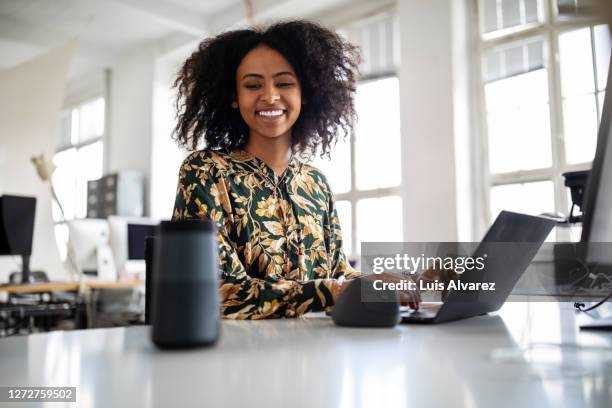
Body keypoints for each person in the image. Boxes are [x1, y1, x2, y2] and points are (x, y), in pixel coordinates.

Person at [171, 20, 420, 319]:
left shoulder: (315, 184)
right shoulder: (206, 172)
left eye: (284, 83)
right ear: (234, 97)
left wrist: (374, 282)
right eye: (252, 85)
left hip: (317, 351)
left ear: (306, 93)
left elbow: (336, 272)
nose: (270, 96)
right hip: (236, 357)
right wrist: (334, 290)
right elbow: (215, 291)